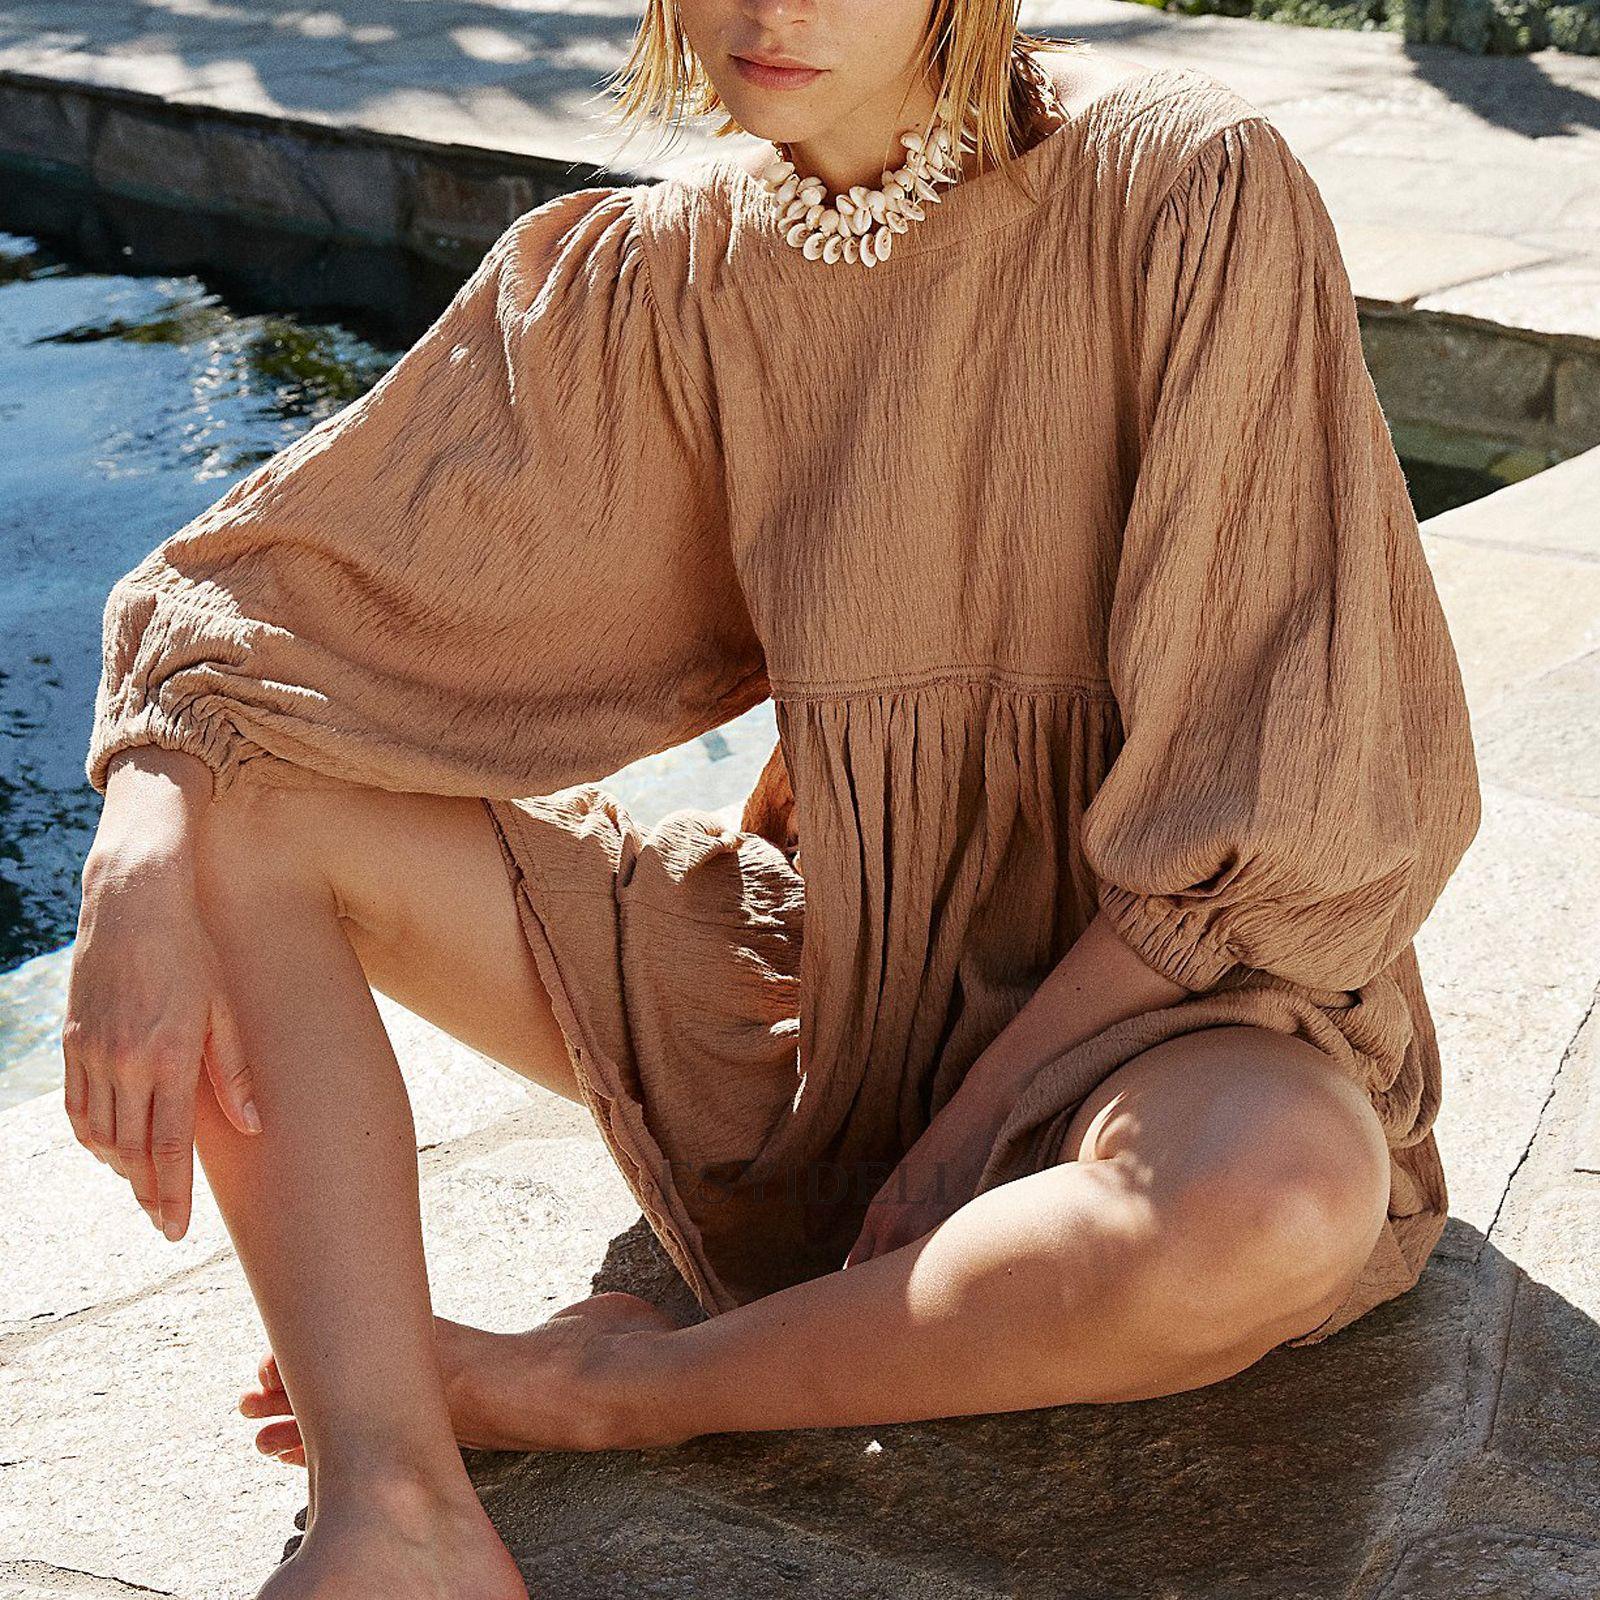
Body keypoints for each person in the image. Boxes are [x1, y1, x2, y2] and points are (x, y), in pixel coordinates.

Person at [65, 1, 1483, 1593]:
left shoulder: (1182, 189)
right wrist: (140, 843)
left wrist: (967, 1128)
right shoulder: (667, 281)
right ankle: (394, 1506)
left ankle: (617, 1387)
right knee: (233, 801)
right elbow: (259, 605)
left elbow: (1290, 805)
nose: (771, 10)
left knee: (1279, 1201)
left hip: (1171, 1024)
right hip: (830, 1006)